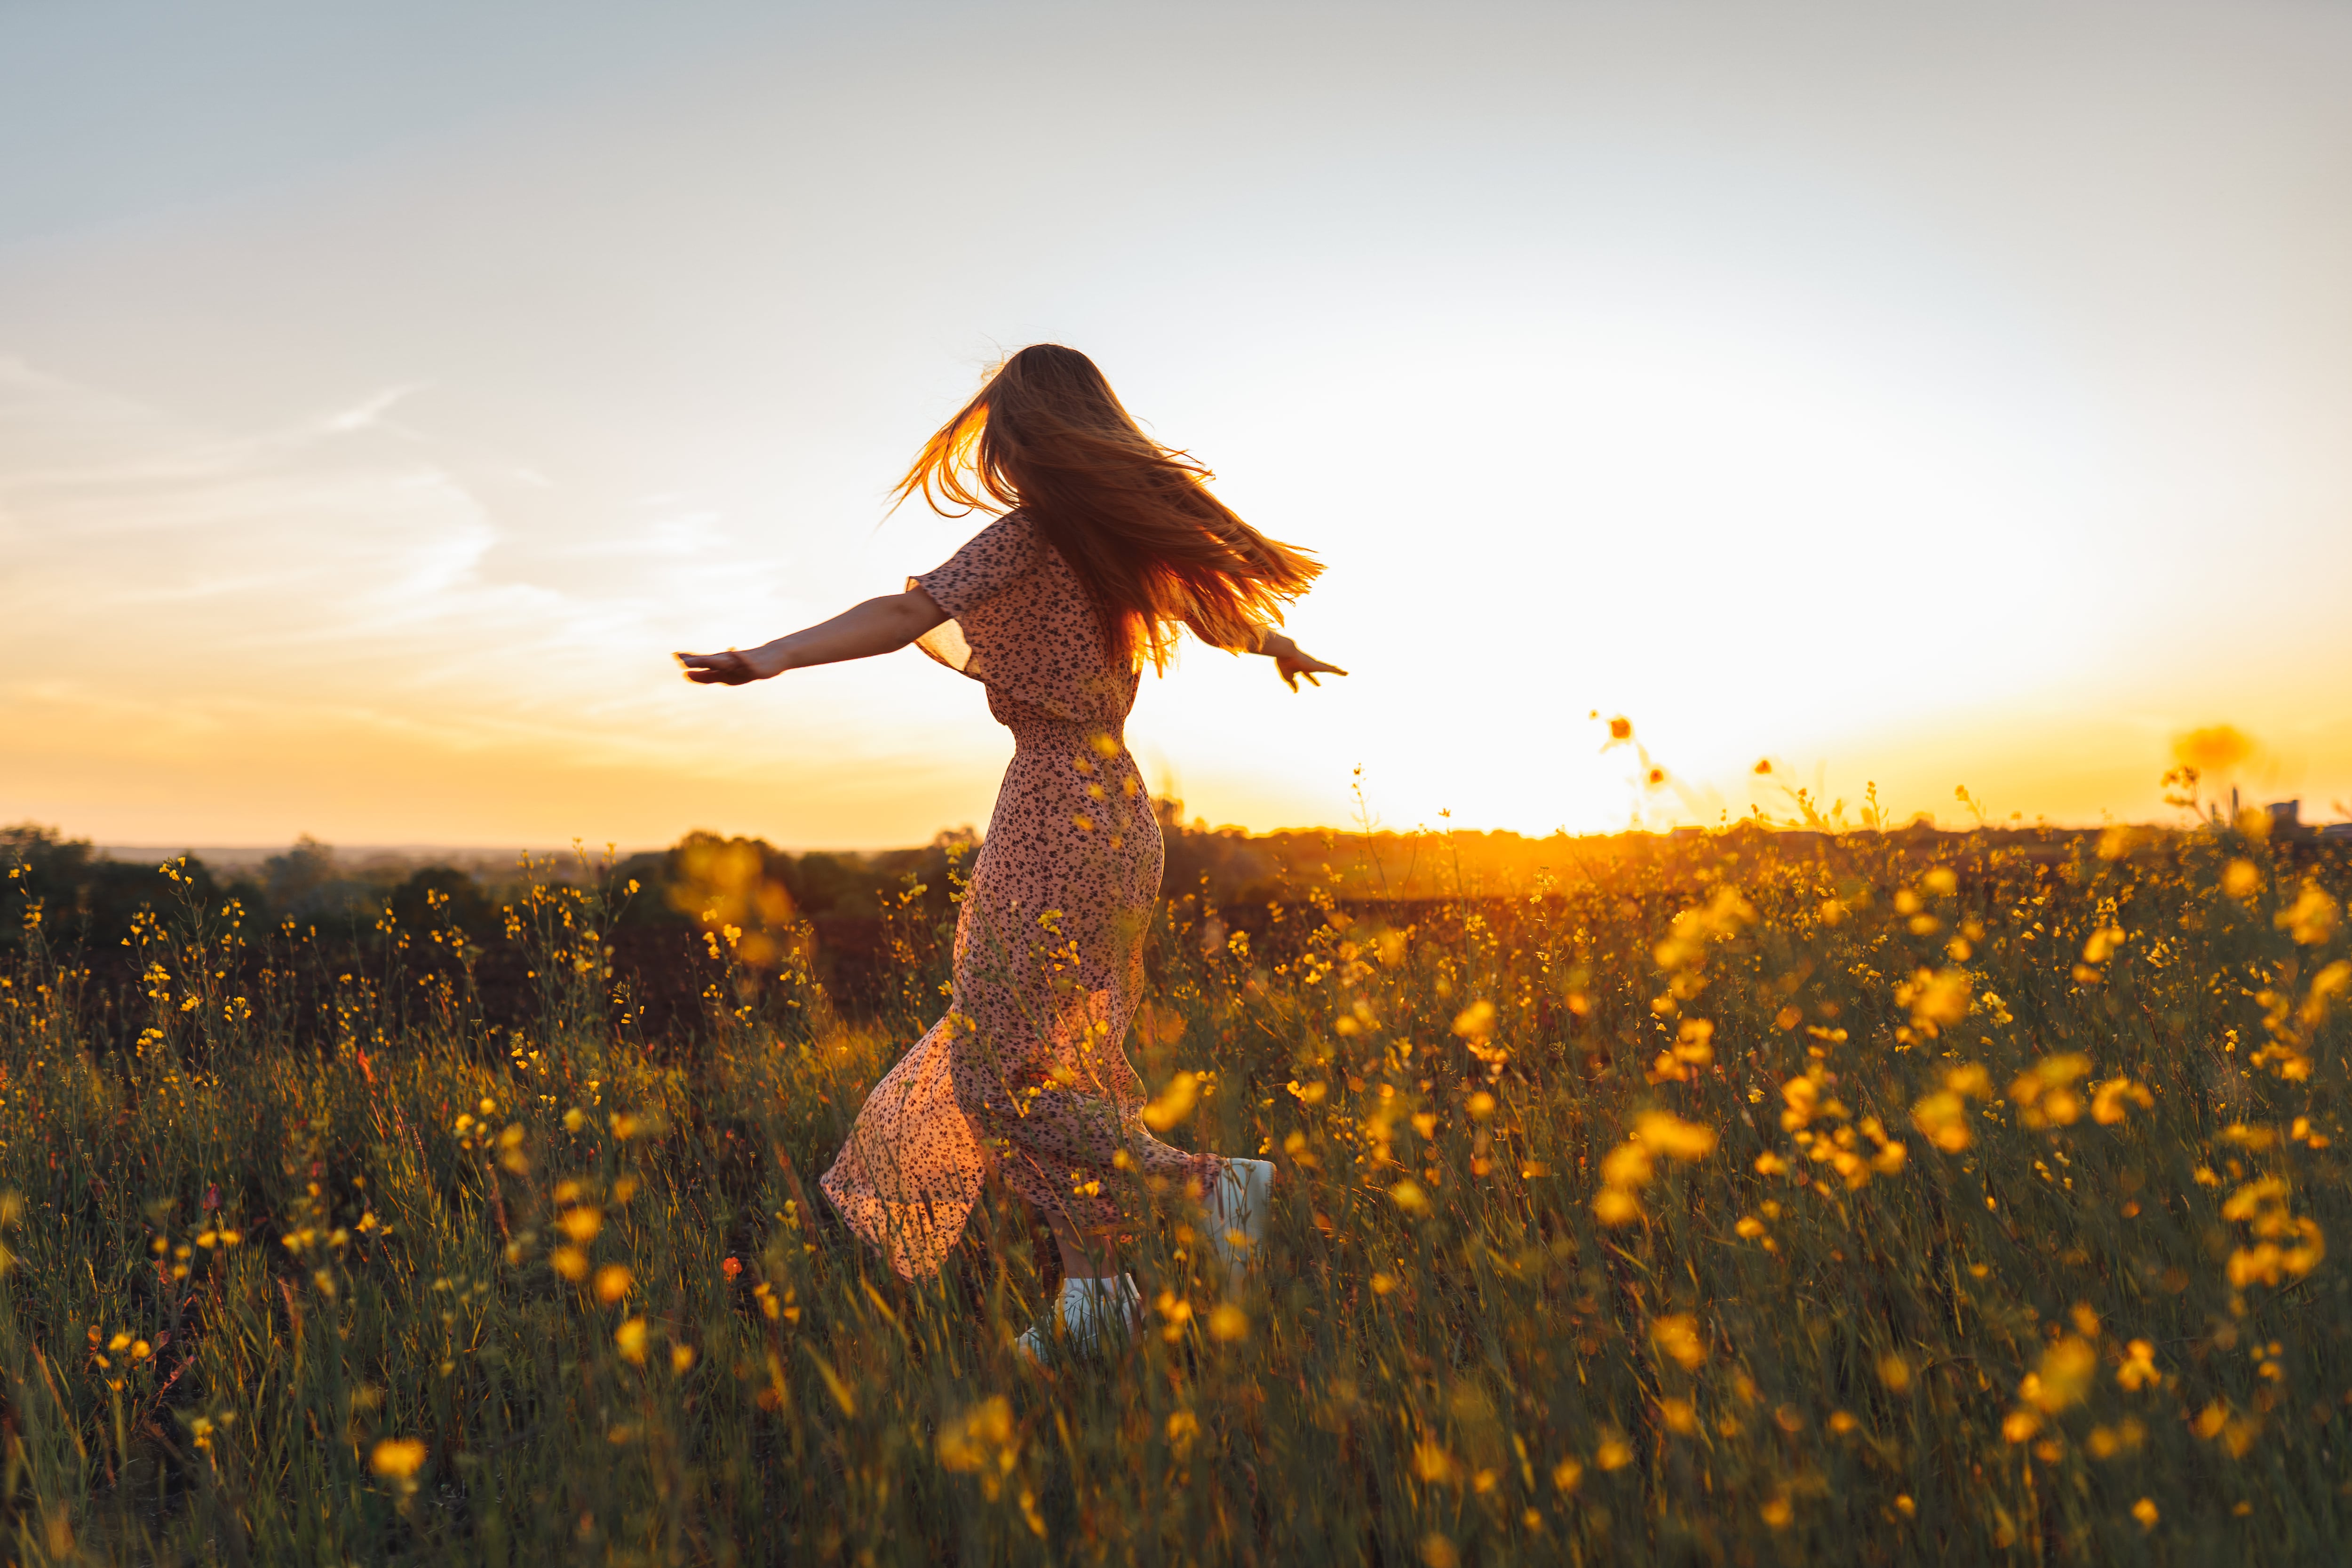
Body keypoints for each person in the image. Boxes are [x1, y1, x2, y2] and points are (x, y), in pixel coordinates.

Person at [677, 344, 1345, 1358]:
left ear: (1031, 440)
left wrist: (775, 653)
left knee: (999, 1069)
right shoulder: (1116, 545)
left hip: (1052, 803)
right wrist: (1282, 648)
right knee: (1049, 1056)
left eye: (1007, 438)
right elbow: (1222, 620)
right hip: (1116, 807)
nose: (1002, 457)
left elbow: (909, 612)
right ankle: (1097, 1294)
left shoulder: (1033, 537)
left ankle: (1208, 1183)